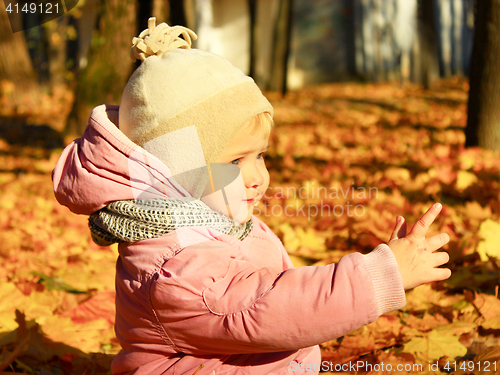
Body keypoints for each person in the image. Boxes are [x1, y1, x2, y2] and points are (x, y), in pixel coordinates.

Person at [52, 18, 451, 375]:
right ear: (178, 170)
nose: (259, 176)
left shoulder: (210, 221)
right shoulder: (177, 266)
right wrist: (382, 275)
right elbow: (268, 306)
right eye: (236, 160)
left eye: (261, 155)